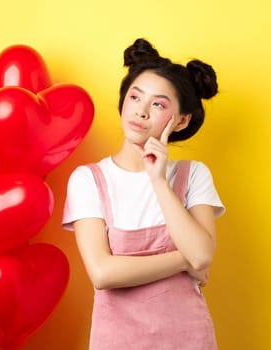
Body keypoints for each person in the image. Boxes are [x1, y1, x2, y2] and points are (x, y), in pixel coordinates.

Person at [62, 38, 225, 349]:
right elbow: (103, 273)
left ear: (181, 120)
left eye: (159, 104)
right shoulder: (89, 180)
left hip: (188, 339)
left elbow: (202, 255)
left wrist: (159, 181)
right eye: (136, 97)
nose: (141, 111)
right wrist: (183, 260)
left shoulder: (194, 175)